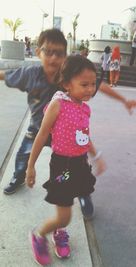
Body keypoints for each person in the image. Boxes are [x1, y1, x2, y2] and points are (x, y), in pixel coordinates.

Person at [0, 28, 136, 219]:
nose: (53, 58)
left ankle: (83, 193)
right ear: (37, 52)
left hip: (66, 132)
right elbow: (6, 75)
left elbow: (100, 85)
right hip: (38, 128)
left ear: (65, 55)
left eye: (59, 53)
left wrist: (124, 100)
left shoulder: (70, 74)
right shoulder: (29, 74)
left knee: (78, 165)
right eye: (48, 51)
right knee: (24, 154)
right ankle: (19, 176)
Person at [25, 54, 106, 265]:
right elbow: (42, 135)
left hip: (79, 164)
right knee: (65, 214)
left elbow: (84, 137)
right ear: (67, 83)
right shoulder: (58, 104)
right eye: (84, 84)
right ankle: (39, 235)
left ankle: (58, 231)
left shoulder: (84, 108)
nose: (90, 89)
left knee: (74, 196)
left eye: (93, 84)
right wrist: (30, 166)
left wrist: (96, 156)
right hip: (63, 167)